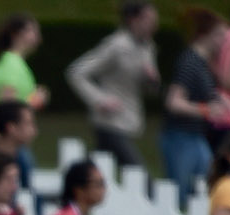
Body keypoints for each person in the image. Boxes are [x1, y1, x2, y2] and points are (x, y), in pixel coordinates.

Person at [66, 2, 161, 168]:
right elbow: (77, 72)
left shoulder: (147, 47)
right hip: (110, 123)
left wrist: (151, 80)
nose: (154, 24)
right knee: (138, 174)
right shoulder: (116, 45)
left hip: (129, 121)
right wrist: (99, 99)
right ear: (133, 20)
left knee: (97, 169)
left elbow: (148, 90)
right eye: (148, 19)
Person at [164, 10, 228, 207]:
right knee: (179, 194)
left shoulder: (203, 64)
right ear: (204, 35)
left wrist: (219, 100)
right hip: (181, 137)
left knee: (204, 188)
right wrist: (206, 110)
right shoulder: (189, 62)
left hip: (196, 136)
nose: (223, 41)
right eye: (219, 35)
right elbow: (174, 102)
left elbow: (204, 93)